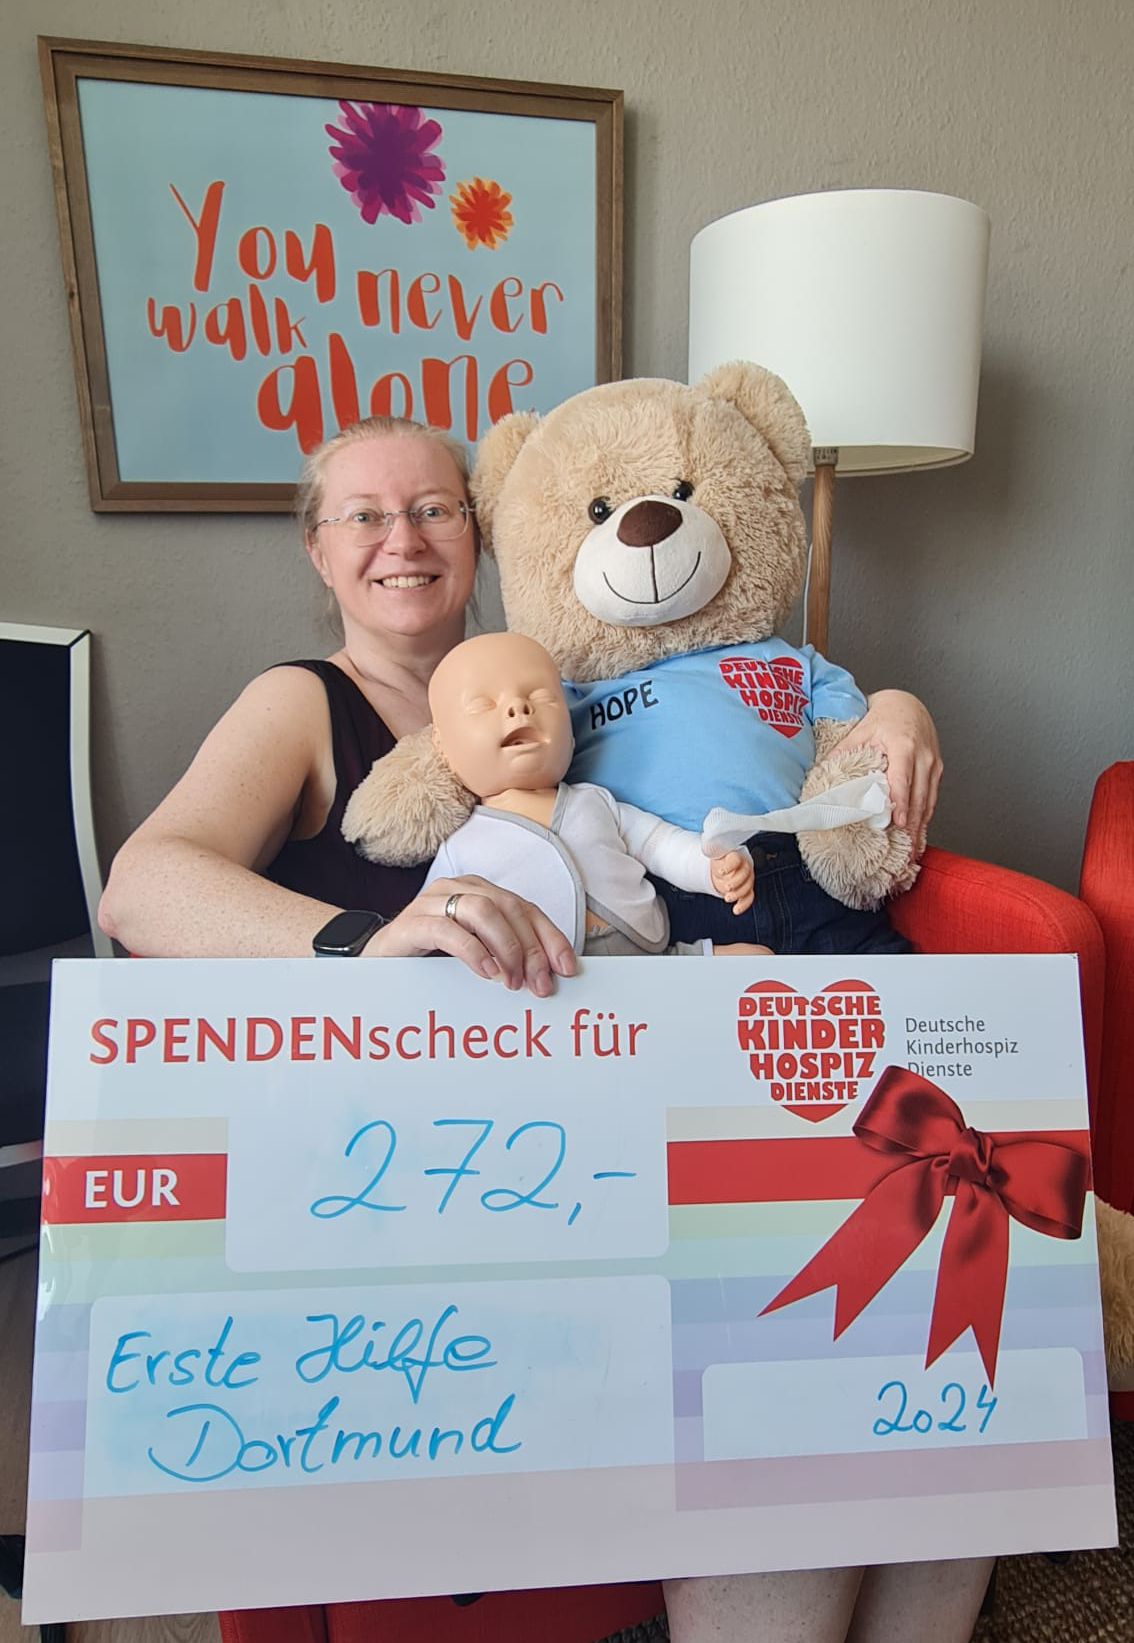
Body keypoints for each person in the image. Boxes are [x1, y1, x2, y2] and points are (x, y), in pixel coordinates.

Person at [100, 415, 987, 1643]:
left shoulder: (581, 685)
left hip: (643, 1119)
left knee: (897, 1297)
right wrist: (369, 942)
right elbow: (140, 885)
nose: (404, 538)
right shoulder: (303, 702)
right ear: (317, 548)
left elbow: (766, 704)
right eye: (365, 514)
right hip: (450, 1171)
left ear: (485, 529)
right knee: (772, 1382)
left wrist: (897, 704)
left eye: (435, 508)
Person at [424, 630, 761, 954]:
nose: (518, 707)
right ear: (442, 747)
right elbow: (431, 930)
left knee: (755, 959)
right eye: (482, 705)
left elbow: (658, 845)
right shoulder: (461, 846)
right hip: (539, 979)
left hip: (653, 964)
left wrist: (711, 869)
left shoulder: (596, 801)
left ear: (571, 731)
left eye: (542, 697)